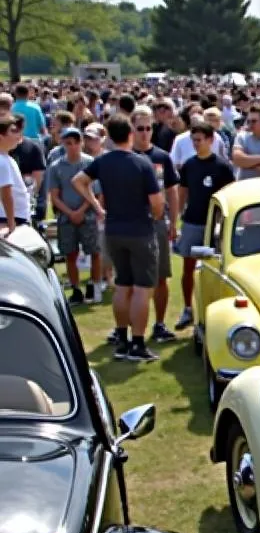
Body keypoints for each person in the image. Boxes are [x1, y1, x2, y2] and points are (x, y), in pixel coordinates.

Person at [71, 114, 162, 363]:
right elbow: (157, 204)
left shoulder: (102, 162)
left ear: (109, 136)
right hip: (140, 230)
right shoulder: (142, 163)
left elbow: (78, 181)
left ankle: (122, 339)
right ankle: (138, 343)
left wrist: (97, 207)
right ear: (130, 134)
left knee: (123, 285)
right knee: (143, 288)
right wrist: (155, 216)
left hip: (114, 230)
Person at [174, 122, 236, 332]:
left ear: (211, 140)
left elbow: (229, 196)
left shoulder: (222, 167)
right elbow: (182, 192)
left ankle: (213, 312)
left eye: (199, 140)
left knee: (214, 270)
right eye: (194, 140)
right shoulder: (189, 165)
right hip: (192, 222)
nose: (196, 144)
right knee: (188, 268)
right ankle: (187, 309)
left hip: (214, 225)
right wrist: (178, 216)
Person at [131, 108, 180, 343]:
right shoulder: (124, 156)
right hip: (131, 223)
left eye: (148, 128)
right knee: (130, 279)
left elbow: (172, 191)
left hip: (158, 222)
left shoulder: (162, 157)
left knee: (161, 276)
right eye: (140, 128)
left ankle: (160, 324)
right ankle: (131, 328)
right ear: (131, 130)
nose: (144, 133)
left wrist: (174, 221)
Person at [48, 127, 101, 305]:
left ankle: (94, 286)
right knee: (70, 253)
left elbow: (96, 192)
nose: (73, 146)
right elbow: (54, 196)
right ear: (63, 143)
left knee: (94, 252)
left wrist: (82, 210)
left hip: (88, 215)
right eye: (68, 143)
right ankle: (76, 289)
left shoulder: (90, 163)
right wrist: (70, 213)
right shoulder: (56, 167)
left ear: (81, 143)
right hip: (66, 217)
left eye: (76, 142)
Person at [0, 116, 32, 232]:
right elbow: (6, 194)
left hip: (16, 217)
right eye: (13, 131)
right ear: (1, 136)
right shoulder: (2, 161)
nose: (18, 135)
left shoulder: (7, 158)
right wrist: (11, 222)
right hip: (8, 219)